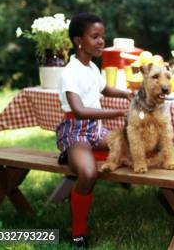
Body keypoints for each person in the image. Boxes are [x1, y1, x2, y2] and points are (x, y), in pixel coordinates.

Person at [56, 13, 132, 249]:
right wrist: (118, 113)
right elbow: (79, 111)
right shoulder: (70, 71)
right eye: (95, 36)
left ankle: (91, 154)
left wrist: (128, 94)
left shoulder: (92, 68)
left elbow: (104, 89)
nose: (101, 41)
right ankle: (79, 231)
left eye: (102, 36)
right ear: (79, 41)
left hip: (96, 130)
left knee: (136, 149)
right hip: (75, 131)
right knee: (88, 174)